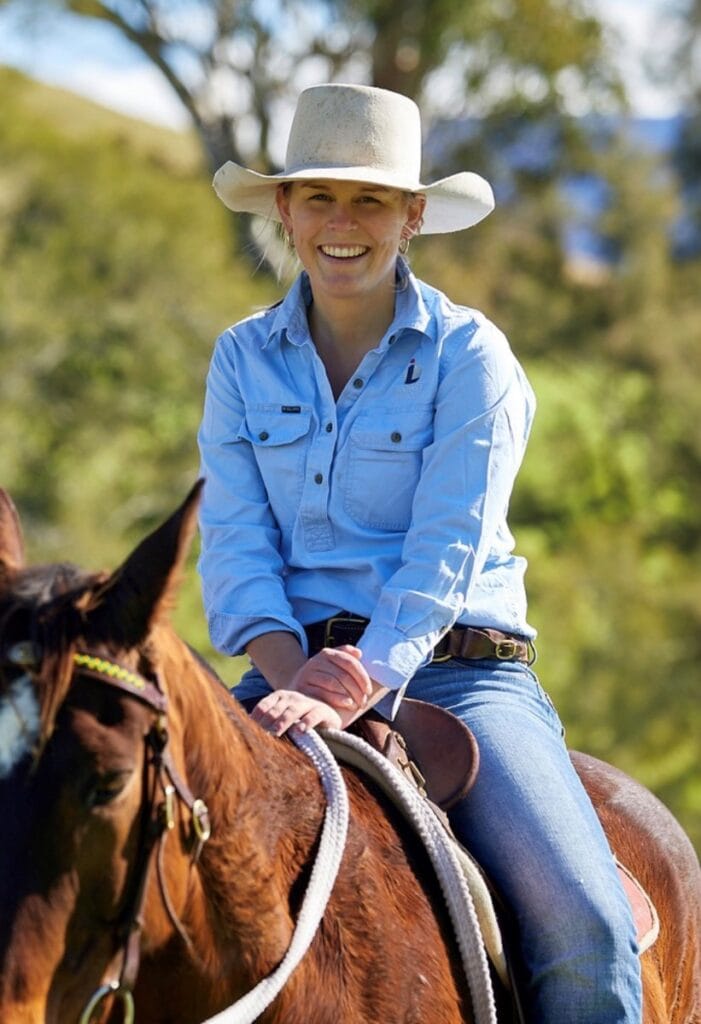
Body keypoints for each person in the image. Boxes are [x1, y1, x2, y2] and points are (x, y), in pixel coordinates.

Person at [197, 83, 642, 1022]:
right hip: (281, 673)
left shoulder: (471, 356)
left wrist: (343, 686)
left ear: (413, 216)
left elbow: (448, 552)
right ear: (284, 209)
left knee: (583, 930)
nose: (341, 222)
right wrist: (295, 679)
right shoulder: (240, 358)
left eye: (369, 200)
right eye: (318, 196)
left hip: (458, 677)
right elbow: (235, 550)